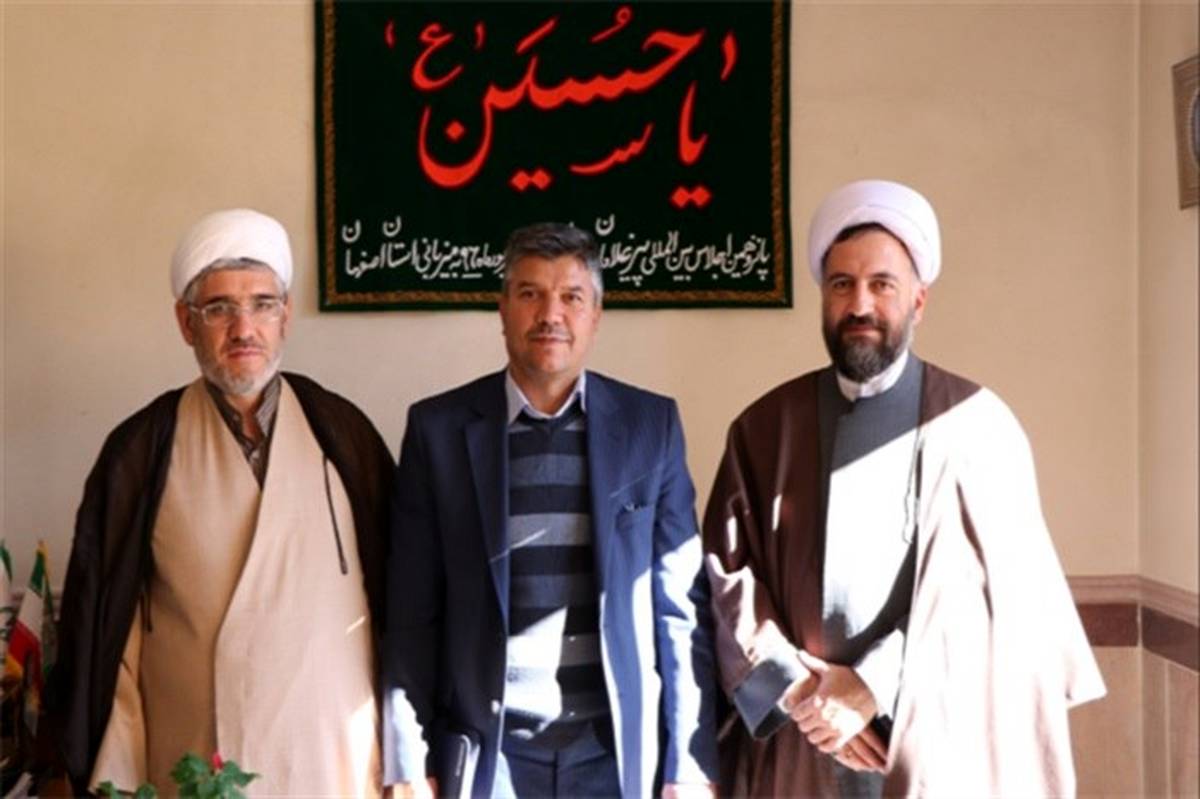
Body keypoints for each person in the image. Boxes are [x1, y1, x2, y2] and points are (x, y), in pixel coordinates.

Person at [702, 180, 1105, 797]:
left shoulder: (978, 425)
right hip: (800, 740)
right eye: (842, 284)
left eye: (882, 284)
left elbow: (1005, 599)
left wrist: (873, 683)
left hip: (940, 743)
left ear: (918, 300)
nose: (860, 304)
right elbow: (727, 577)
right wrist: (802, 692)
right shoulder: (764, 429)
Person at [47, 209, 393, 797]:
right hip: (194, 755)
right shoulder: (142, 448)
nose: (243, 329)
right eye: (219, 309)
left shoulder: (343, 432)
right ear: (186, 323)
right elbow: (102, 625)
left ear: (285, 317)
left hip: (332, 754)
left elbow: (402, 596)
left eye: (262, 304)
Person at [382, 223, 718, 798]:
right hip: (488, 756)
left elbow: (679, 610)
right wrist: (408, 760)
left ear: (596, 315)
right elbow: (411, 614)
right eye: (530, 294)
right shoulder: (437, 431)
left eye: (571, 297)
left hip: (612, 756)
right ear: (502, 309)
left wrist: (688, 763)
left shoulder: (650, 427)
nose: (550, 314)